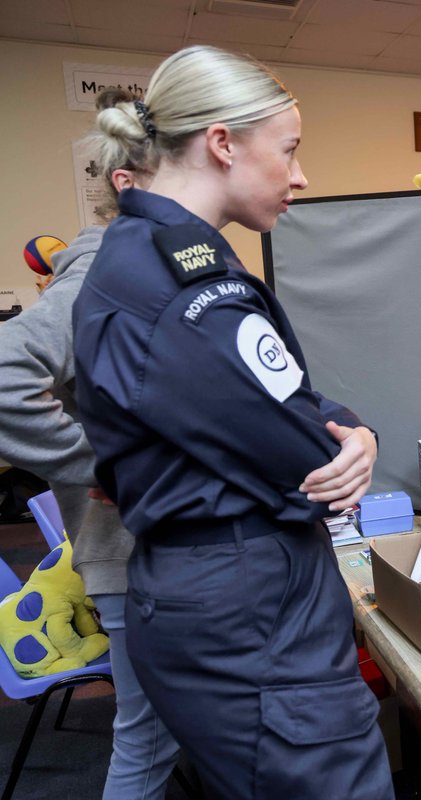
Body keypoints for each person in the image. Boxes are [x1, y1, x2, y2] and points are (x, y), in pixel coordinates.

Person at [71, 46, 393, 799]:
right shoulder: (187, 287)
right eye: (289, 150)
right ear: (222, 143)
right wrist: (346, 440)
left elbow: (276, 400)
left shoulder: (137, 256)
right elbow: (309, 460)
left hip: (211, 593)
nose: (301, 176)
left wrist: (353, 428)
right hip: (248, 609)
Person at [0, 88, 183, 800]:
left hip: (156, 550)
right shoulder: (102, 262)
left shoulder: (155, 260)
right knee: (146, 740)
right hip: (130, 556)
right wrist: (109, 463)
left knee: (163, 733)